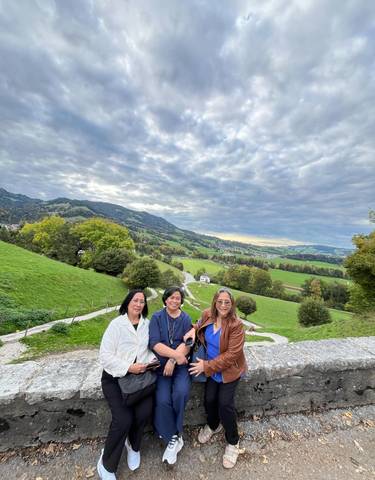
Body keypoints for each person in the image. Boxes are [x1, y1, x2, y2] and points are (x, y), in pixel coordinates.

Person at [98, 289, 156, 480]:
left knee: (144, 412)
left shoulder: (146, 325)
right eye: (135, 300)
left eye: (142, 301)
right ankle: (107, 464)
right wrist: (129, 367)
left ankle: (133, 445)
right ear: (128, 302)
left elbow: (149, 350)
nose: (139, 304)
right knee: (123, 419)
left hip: (139, 380)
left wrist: (151, 362)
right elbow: (104, 357)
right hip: (115, 379)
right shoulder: (116, 325)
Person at [188, 287, 247, 469]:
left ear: (232, 305)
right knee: (209, 400)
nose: (223, 305)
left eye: (227, 302)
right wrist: (193, 330)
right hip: (213, 370)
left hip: (229, 370)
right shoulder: (208, 314)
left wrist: (206, 366)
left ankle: (233, 442)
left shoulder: (236, 325)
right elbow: (199, 324)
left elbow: (231, 356)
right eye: (220, 301)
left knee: (224, 404)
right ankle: (214, 425)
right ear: (215, 302)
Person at [149, 286, 193, 465]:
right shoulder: (157, 317)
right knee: (162, 399)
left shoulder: (186, 318)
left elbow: (188, 343)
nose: (175, 301)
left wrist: (173, 360)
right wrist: (173, 356)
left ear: (181, 301)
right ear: (165, 299)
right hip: (161, 368)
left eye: (178, 298)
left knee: (181, 393)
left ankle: (174, 433)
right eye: (171, 298)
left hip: (180, 366)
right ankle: (174, 436)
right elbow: (155, 344)